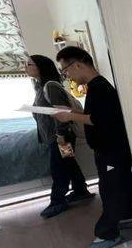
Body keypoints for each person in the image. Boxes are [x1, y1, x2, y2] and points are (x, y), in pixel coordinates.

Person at [53, 47, 132, 248]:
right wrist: (73, 112)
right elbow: (97, 114)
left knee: (110, 189)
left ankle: (108, 234)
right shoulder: (98, 86)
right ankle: (128, 216)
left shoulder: (99, 88)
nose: (67, 76)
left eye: (66, 70)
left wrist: (70, 116)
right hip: (113, 148)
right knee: (121, 182)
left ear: (77, 65)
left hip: (109, 149)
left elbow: (99, 119)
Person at [26, 55, 93, 218]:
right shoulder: (41, 86)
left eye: (29, 64)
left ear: (41, 67)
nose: (25, 67)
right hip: (57, 136)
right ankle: (80, 190)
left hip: (60, 137)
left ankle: (57, 202)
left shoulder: (50, 86)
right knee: (68, 162)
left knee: (59, 168)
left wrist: (60, 136)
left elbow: (61, 113)